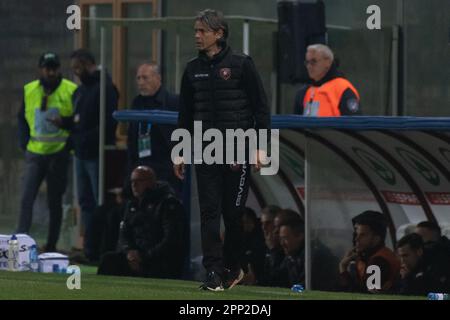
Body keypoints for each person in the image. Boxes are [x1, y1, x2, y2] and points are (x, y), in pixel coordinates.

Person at [174, 9, 270, 291]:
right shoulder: (192, 69)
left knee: (233, 214)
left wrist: (259, 148)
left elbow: (260, 108)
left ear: (219, 34)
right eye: (195, 31)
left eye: (202, 31)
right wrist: (180, 151)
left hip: (236, 150)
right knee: (208, 213)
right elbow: (185, 115)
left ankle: (233, 267)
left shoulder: (242, 64)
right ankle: (213, 272)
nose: (197, 36)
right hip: (206, 152)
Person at [49, 48, 118, 261]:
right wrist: (65, 123)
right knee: (86, 203)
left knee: (99, 203)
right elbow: (79, 121)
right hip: (80, 154)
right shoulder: (80, 92)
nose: (76, 73)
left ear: (89, 65)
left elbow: (108, 122)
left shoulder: (105, 88)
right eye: (73, 69)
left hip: (97, 154)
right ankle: (89, 248)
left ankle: (102, 248)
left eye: (78, 68)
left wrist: (85, 138)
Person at [16, 52, 77, 252]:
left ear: (59, 69)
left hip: (58, 154)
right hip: (35, 152)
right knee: (27, 197)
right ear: (40, 69)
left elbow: (77, 121)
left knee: (54, 201)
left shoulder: (70, 90)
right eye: (47, 68)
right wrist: (24, 143)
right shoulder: (30, 90)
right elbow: (21, 119)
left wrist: (69, 145)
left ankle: (51, 244)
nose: (50, 72)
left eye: (53, 68)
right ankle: (20, 240)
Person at [97, 166, 185, 279]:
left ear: (151, 182)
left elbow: (171, 240)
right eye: (132, 181)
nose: (134, 185)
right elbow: (124, 234)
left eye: (139, 181)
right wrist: (129, 252)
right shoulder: (132, 204)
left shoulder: (167, 204)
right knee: (108, 260)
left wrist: (144, 256)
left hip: (158, 259)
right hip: (135, 258)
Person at [126, 62, 180, 195]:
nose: (140, 82)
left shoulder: (173, 102)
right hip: (141, 164)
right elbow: (131, 136)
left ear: (158, 78)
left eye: (145, 78)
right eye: (138, 78)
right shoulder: (137, 103)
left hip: (166, 166)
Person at [339, 210, 400, 293]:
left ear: (376, 238)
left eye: (363, 235)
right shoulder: (368, 257)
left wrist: (343, 269)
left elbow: (364, 296)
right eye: (356, 234)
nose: (356, 239)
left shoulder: (378, 261)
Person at [294, 44, 361, 116]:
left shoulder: (342, 89)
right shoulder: (303, 92)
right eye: (307, 62)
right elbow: (294, 125)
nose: (309, 66)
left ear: (327, 62)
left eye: (313, 62)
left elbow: (354, 123)